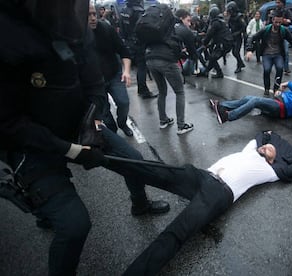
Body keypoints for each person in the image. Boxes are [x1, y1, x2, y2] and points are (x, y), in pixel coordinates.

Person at [0, 1, 169, 274]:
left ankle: (140, 204)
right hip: (32, 146)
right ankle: (46, 211)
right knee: (74, 225)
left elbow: (94, 85)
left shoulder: (75, 36)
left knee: (134, 160)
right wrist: (71, 150)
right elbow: (9, 124)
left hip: (78, 124)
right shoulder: (8, 43)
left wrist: (92, 123)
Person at [122, 130, 292, 275]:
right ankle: (99, 156)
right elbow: (261, 136)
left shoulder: (272, 170)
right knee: (150, 169)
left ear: (275, 159)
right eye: (268, 145)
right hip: (201, 176)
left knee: (174, 234)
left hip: (218, 193)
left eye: (272, 149)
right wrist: (270, 138)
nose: (268, 146)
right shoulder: (250, 150)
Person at [143, 3, 194, 135]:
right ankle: (181, 126)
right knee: (179, 92)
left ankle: (163, 120)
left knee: (162, 91)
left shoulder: (159, 26)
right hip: (166, 61)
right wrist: (192, 57)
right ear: (182, 18)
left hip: (150, 58)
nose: (190, 23)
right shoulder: (180, 28)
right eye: (188, 20)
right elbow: (192, 50)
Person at [88, 4, 134, 137]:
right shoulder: (76, 36)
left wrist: (126, 71)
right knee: (103, 110)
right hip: (94, 81)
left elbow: (124, 51)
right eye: (88, 15)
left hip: (114, 74)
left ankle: (122, 123)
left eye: (94, 14)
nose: (92, 18)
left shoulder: (106, 29)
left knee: (123, 102)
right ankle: (112, 130)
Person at [210, 71, 292, 124]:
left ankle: (228, 117)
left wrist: (289, 84)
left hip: (282, 109)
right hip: (278, 102)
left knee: (255, 101)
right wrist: (280, 94)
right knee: (248, 97)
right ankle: (221, 106)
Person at [245, 9, 292, 97]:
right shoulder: (266, 29)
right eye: (276, 22)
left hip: (278, 54)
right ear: (273, 20)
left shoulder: (284, 30)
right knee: (267, 70)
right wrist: (249, 50)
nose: (278, 24)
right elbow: (252, 38)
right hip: (266, 54)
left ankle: (276, 88)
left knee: (280, 69)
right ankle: (267, 88)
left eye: (280, 22)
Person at [119, 0, 158, 98]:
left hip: (128, 42)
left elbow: (121, 28)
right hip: (138, 43)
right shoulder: (139, 11)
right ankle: (143, 90)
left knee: (133, 67)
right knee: (142, 67)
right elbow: (142, 28)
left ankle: (139, 90)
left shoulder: (124, 10)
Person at [196, 6, 234, 79]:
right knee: (212, 57)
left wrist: (204, 42)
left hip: (223, 43)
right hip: (226, 43)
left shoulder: (216, 23)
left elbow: (210, 34)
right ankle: (207, 71)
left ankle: (216, 73)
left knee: (212, 58)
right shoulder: (221, 21)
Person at [174, 9, 198, 76]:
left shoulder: (168, 26)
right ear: (181, 19)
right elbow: (192, 52)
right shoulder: (185, 31)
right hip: (169, 62)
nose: (189, 24)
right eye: (188, 20)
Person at [226, 1, 247, 73]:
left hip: (238, 37)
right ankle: (240, 63)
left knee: (236, 52)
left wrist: (238, 33)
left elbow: (244, 26)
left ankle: (239, 65)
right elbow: (228, 26)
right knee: (234, 52)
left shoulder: (239, 16)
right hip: (233, 36)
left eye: (230, 10)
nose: (230, 12)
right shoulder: (231, 18)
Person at [275, 0, 292, 75]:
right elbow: (272, 20)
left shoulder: (287, 11)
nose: (277, 4)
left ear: (282, 3)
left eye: (279, 2)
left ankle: (286, 68)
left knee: (285, 51)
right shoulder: (275, 11)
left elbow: (290, 21)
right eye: (276, 2)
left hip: (284, 31)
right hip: (276, 32)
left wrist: (285, 20)